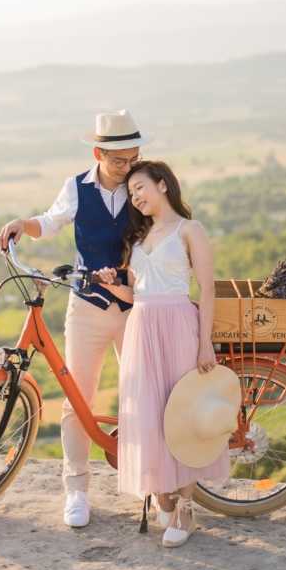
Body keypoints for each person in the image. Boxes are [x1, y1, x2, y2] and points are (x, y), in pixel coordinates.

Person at [0, 110, 149, 528]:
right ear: (99, 153)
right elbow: (50, 222)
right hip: (87, 307)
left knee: (144, 395)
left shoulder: (143, 181)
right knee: (78, 399)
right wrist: (20, 224)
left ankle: (149, 484)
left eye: (134, 157)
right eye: (119, 160)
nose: (128, 167)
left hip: (137, 307)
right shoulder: (77, 187)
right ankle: (77, 490)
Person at [95, 160, 229, 547]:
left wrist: (205, 343)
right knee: (152, 416)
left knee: (183, 417)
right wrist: (111, 285)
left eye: (140, 187)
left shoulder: (190, 230)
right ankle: (164, 498)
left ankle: (186, 508)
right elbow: (137, 294)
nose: (136, 197)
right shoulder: (138, 239)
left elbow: (205, 289)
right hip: (142, 329)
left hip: (179, 327)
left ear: (163, 185)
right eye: (131, 193)